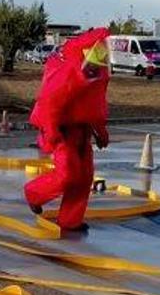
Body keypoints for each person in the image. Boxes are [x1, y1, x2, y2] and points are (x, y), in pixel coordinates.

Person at [23, 28, 112, 232]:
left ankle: (70, 221)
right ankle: (34, 193)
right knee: (67, 174)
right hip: (63, 131)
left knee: (84, 177)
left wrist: (101, 131)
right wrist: (51, 129)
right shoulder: (69, 73)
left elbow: (95, 107)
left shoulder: (97, 76)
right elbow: (50, 103)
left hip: (83, 132)